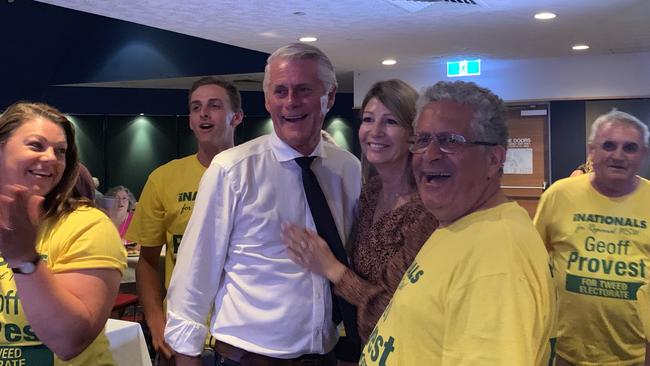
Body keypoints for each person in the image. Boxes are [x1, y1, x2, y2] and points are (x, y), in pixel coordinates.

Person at [164, 43, 361, 366]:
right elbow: (194, 274)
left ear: (330, 95)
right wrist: (186, 355)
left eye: (303, 90)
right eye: (280, 91)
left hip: (323, 354)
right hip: (247, 357)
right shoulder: (231, 170)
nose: (290, 102)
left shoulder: (346, 169)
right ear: (267, 100)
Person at [360, 81, 556, 365]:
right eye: (423, 139)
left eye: (451, 141)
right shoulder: (458, 224)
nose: (431, 154)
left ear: (494, 159)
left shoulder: (498, 261)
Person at [281, 79, 437, 344]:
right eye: (368, 119)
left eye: (390, 122)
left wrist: (331, 268)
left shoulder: (427, 211)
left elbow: (399, 311)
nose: (375, 132)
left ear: (413, 134)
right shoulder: (370, 193)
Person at [125, 77, 244, 362]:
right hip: (181, 339)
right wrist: (155, 321)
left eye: (214, 106)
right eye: (196, 107)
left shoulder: (257, 173)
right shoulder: (163, 179)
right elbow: (148, 261)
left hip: (243, 339)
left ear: (236, 117)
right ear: (190, 121)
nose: (203, 113)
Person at [0, 101, 126, 364]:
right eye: (36, 145)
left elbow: (70, 341)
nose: (50, 158)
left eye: (60, 151)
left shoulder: (87, 226)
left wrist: (24, 259)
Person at [534, 109, 650, 365]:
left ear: (642, 154)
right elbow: (533, 264)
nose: (618, 155)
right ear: (592, 152)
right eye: (608, 145)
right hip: (565, 352)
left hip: (634, 357)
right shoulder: (559, 195)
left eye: (630, 148)